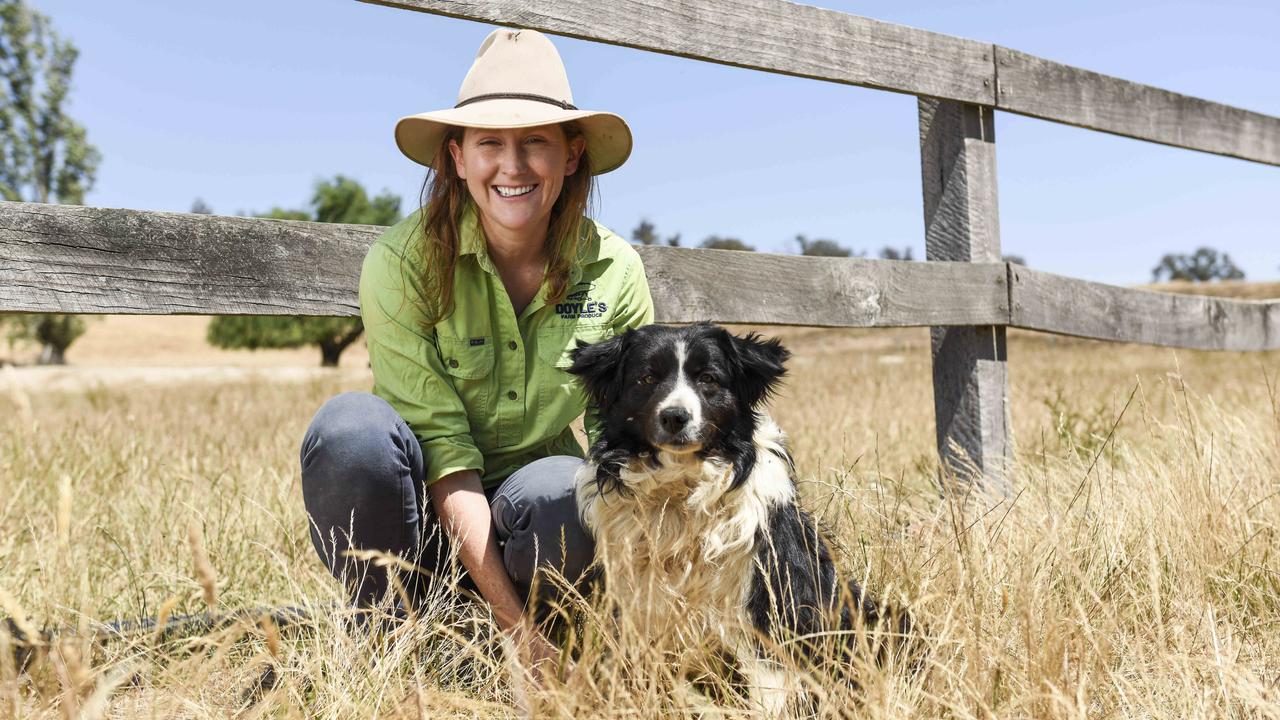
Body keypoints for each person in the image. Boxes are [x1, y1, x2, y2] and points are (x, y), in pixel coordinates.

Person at [298, 28, 653, 680]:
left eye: (535, 142)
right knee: (349, 433)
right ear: (456, 159)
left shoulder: (615, 272)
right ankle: (398, 642)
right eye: (490, 142)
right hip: (421, 517)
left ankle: (558, 634)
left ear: (571, 156)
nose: (512, 167)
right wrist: (513, 630)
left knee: (566, 493)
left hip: (534, 522)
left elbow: (622, 455)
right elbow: (447, 457)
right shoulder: (401, 264)